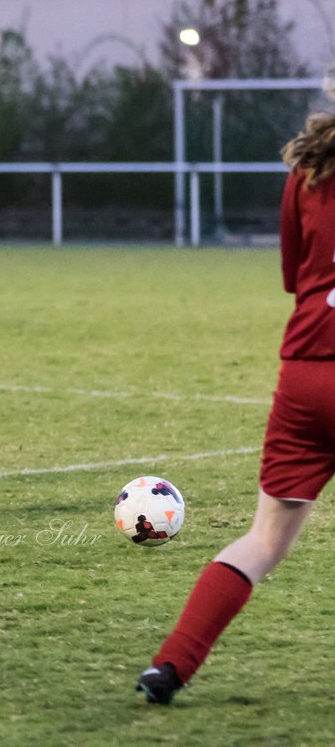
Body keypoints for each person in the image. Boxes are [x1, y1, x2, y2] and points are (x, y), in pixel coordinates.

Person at [137, 110, 335, 704]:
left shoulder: (308, 167)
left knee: (263, 541)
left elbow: (294, 275)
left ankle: (170, 666)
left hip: (305, 374)